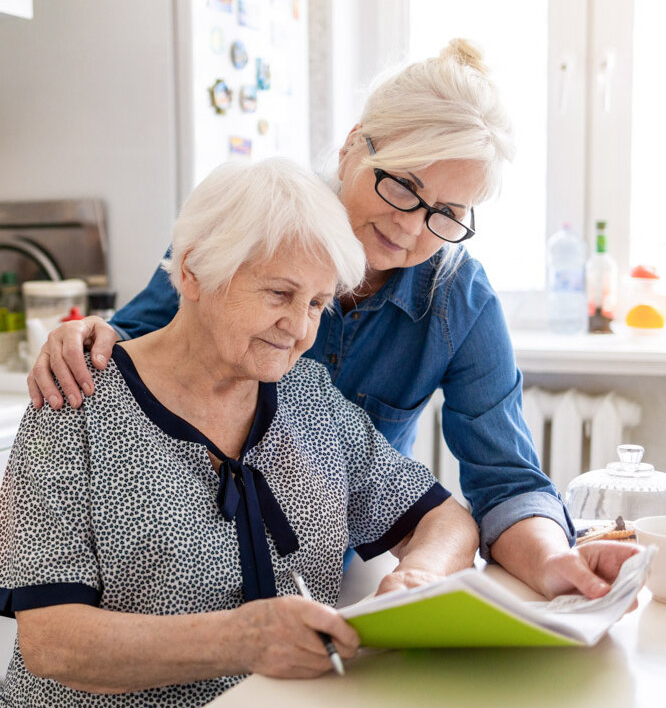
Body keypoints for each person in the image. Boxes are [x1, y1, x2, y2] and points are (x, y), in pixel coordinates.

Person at [28, 39, 639, 602]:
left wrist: (556, 560)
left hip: (334, 567)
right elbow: (138, 343)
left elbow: (506, 481)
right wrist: (86, 335)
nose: (409, 227)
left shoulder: (459, 299)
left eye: (447, 212)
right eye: (403, 185)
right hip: (187, 567)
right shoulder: (257, 224)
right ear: (353, 147)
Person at [0, 158, 479, 708]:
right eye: (279, 293)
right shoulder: (76, 405)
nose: (298, 329)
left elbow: (444, 518)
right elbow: (54, 642)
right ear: (195, 270)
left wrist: (422, 575)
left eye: (316, 304)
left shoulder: (310, 398)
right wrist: (240, 640)